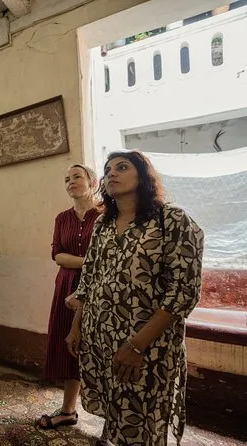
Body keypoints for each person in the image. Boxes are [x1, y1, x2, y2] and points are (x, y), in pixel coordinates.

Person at [66, 151, 204, 446]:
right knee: (116, 405)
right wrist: (77, 325)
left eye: (122, 167)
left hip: (147, 342)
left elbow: (183, 292)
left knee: (143, 413)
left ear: (143, 175)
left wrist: (136, 346)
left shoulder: (171, 219)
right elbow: (90, 277)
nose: (112, 173)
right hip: (101, 335)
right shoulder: (103, 224)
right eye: (108, 170)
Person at [37, 164, 101, 429]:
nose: (71, 181)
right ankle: (68, 410)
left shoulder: (106, 215)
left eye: (77, 176)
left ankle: (112, 420)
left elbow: (108, 256)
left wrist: (87, 264)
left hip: (99, 285)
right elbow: (57, 255)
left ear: (92, 181)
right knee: (70, 346)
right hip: (67, 285)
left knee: (98, 345)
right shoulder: (62, 218)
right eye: (67, 179)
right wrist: (90, 261)